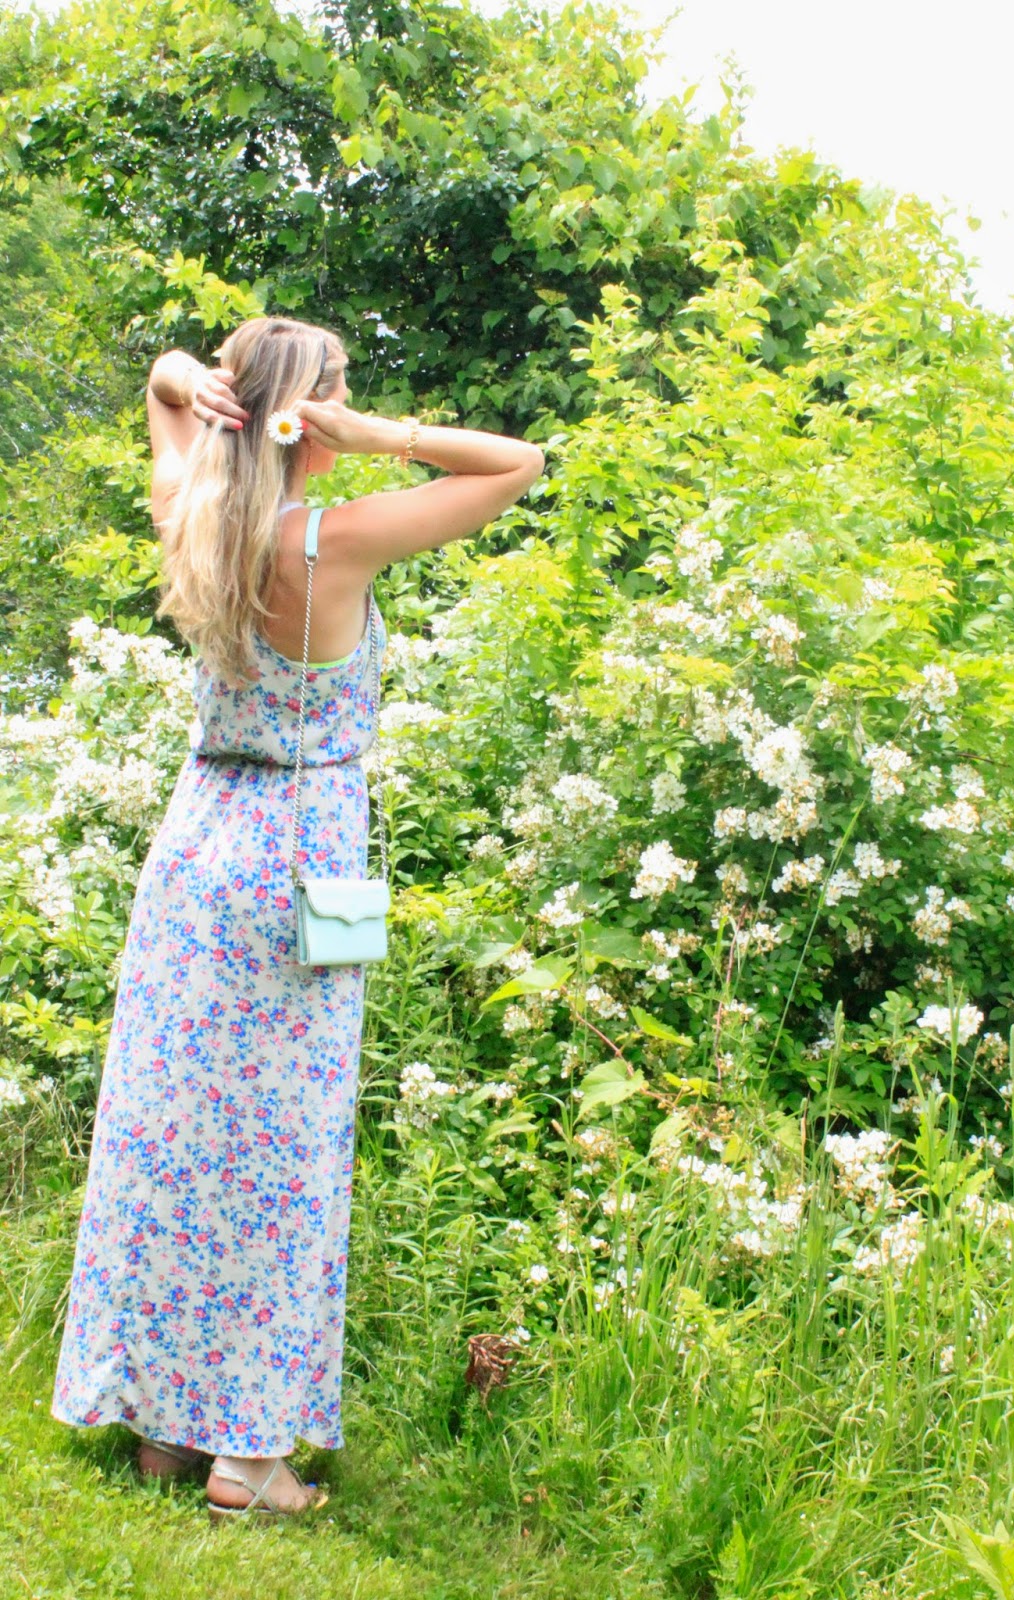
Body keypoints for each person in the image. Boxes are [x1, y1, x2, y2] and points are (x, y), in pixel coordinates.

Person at [50, 314, 545, 1520]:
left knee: (175, 1137)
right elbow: (517, 465)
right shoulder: (333, 539)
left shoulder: (196, 513)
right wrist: (382, 435)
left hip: (196, 851)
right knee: (287, 1154)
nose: (345, 403)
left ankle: (165, 1428)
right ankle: (249, 1457)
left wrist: (186, 377)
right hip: (307, 861)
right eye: (337, 389)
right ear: (303, 413)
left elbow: (164, 392)